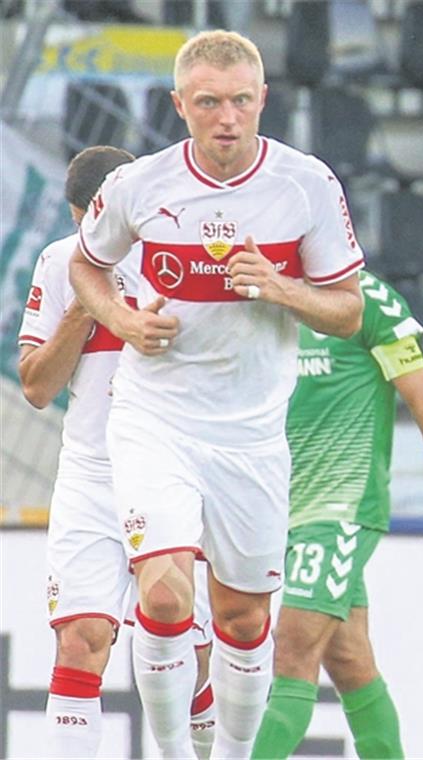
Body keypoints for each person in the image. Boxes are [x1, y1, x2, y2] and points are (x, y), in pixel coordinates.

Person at [68, 30, 365, 759]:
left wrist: (283, 288)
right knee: (165, 595)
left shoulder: (306, 185)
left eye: (239, 101)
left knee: (241, 620)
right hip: (155, 419)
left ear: (263, 99)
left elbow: (349, 311)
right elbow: (86, 265)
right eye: (207, 103)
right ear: (180, 105)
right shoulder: (140, 185)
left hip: (252, 434)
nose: (226, 118)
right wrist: (122, 321)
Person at [19, 145, 218, 759]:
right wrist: (85, 306)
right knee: (80, 640)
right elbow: (37, 387)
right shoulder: (61, 262)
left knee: (189, 642)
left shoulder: (183, 256)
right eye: (87, 220)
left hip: (172, 467)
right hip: (92, 472)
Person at [250, 269, 423, 759]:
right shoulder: (268, 290)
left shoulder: (371, 301)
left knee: (293, 648)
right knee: (350, 662)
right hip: (279, 507)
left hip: (340, 509)